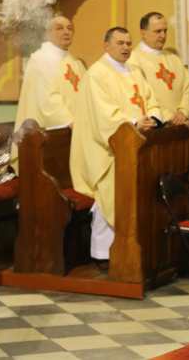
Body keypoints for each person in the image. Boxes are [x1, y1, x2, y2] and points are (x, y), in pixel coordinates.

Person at [70, 27, 161, 262]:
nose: (126, 48)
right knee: (108, 197)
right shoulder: (96, 74)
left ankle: (128, 251)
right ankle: (102, 255)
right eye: (120, 43)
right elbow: (103, 114)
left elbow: (149, 98)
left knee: (129, 197)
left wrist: (153, 117)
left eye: (129, 43)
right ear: (106, 45)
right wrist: (132, 122)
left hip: (133, 145)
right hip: (106, 150)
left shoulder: (134, 71)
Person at [12, 15, 86, 172]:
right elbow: (47, 99)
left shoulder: (73, 61)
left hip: (74, 129)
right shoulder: (41, 60)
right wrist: (69, 121)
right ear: (47, 33)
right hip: (47, 134)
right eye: (60, 28)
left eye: (70, 28)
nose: (66, 32)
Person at [128, 12, 189, 125]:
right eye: (158, 31)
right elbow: (140, 97)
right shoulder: (133, 60)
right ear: (143, 33)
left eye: (165, 31)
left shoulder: (174, 59)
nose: (163, 35)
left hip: (181, 127)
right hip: (156, 128)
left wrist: (184, 112)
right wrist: (169, 118)